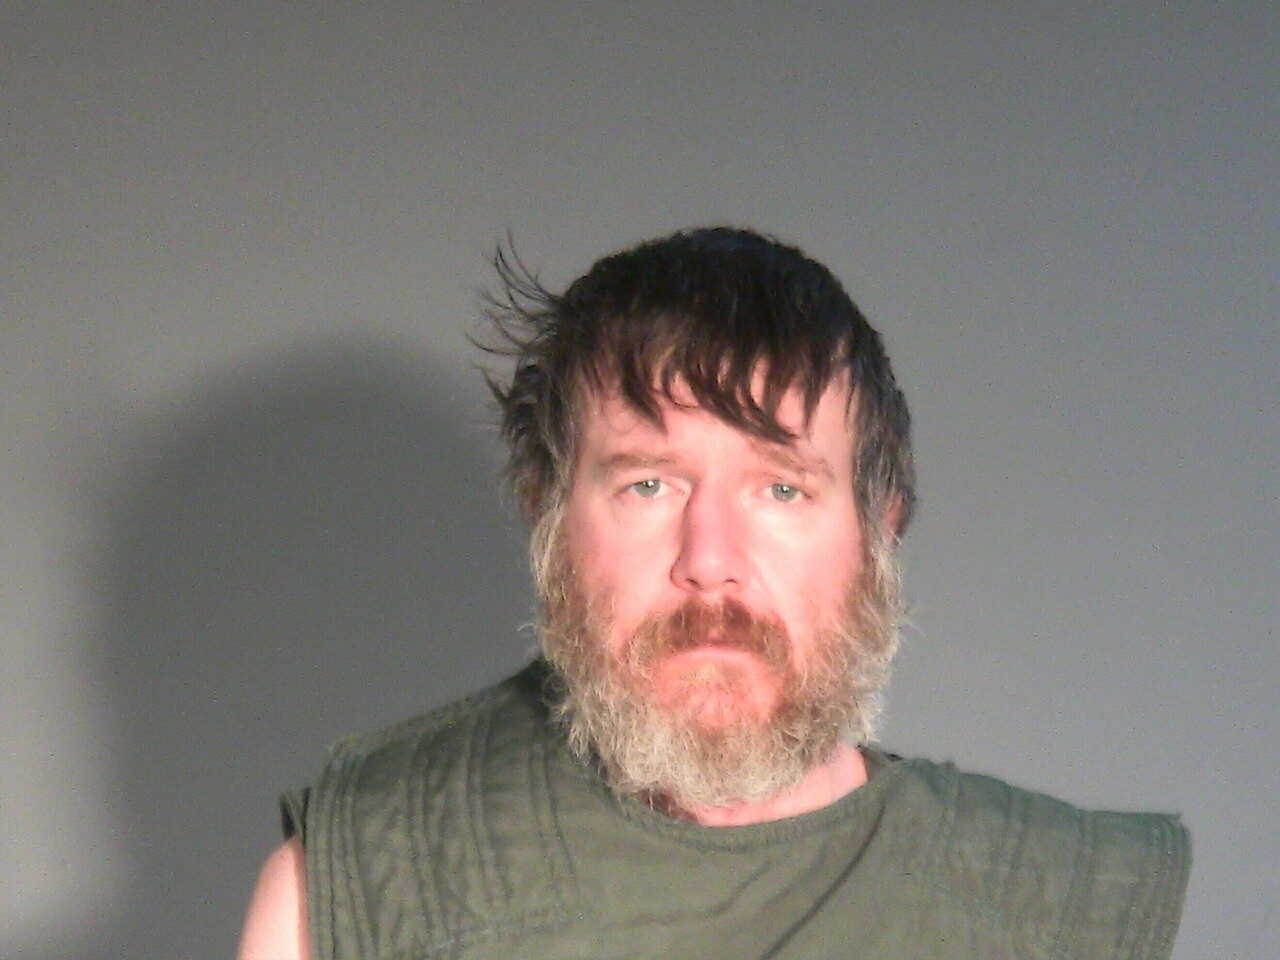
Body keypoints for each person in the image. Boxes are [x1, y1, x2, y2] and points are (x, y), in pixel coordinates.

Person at [237, 227, 1190, 959]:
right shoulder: (363, 882)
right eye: (650, 485)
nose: (710, 559)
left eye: (782, 489)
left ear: (880, 529)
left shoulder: (1057, 909)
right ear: (549, 517)